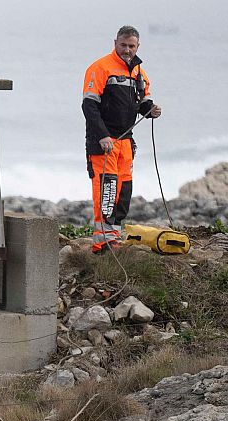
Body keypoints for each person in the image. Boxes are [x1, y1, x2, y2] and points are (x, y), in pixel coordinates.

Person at [83, 25, 163, 252]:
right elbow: (89, 106)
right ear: (115, 43)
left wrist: (151, 109)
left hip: (126, 142)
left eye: (131, 46)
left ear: (138, 46)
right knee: (106, 191)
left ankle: (114, 237)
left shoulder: (138, 72)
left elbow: (142, 101)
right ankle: (102, 243)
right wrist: (102, 136)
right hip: (103, 143)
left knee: (123, 192)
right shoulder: (99, 68)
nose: (127, 50)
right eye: (123, 45)